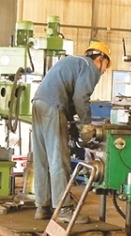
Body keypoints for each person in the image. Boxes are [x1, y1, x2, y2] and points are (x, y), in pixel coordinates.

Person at [31, 41, 111, 224]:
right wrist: (86, 125)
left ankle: (42, 207)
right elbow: (81, 97)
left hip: (38, 103)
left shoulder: (75, 62)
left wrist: (74, 129)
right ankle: (63, 209)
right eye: (106, 65)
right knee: (59, 159)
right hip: (53, 107)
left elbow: (69, 100)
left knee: (42, 159)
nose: (104, 71)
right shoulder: (89, 67)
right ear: (100, 59)